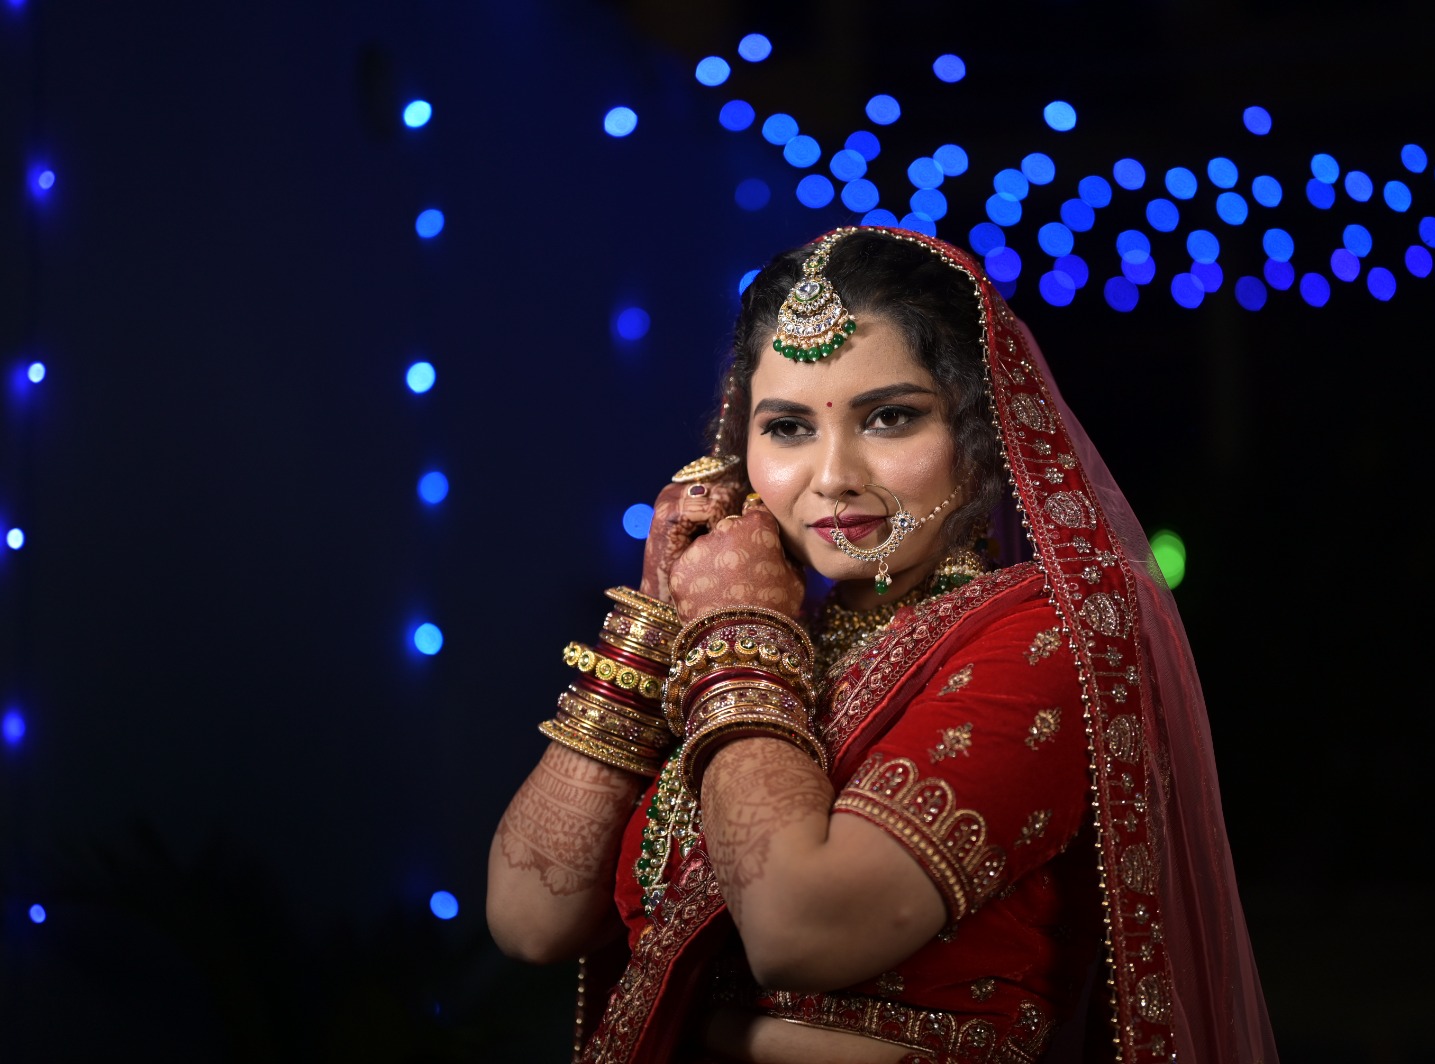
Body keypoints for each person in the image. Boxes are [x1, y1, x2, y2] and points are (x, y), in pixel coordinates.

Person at [486, 227, 1277, 1064]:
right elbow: (531, 917)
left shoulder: (1044, 641)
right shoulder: (768, 643)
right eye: (788, 427)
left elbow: (801, 932)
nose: (833, 476)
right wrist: (655, 621)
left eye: (890, 418)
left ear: (982, 436)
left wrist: (735, 633)